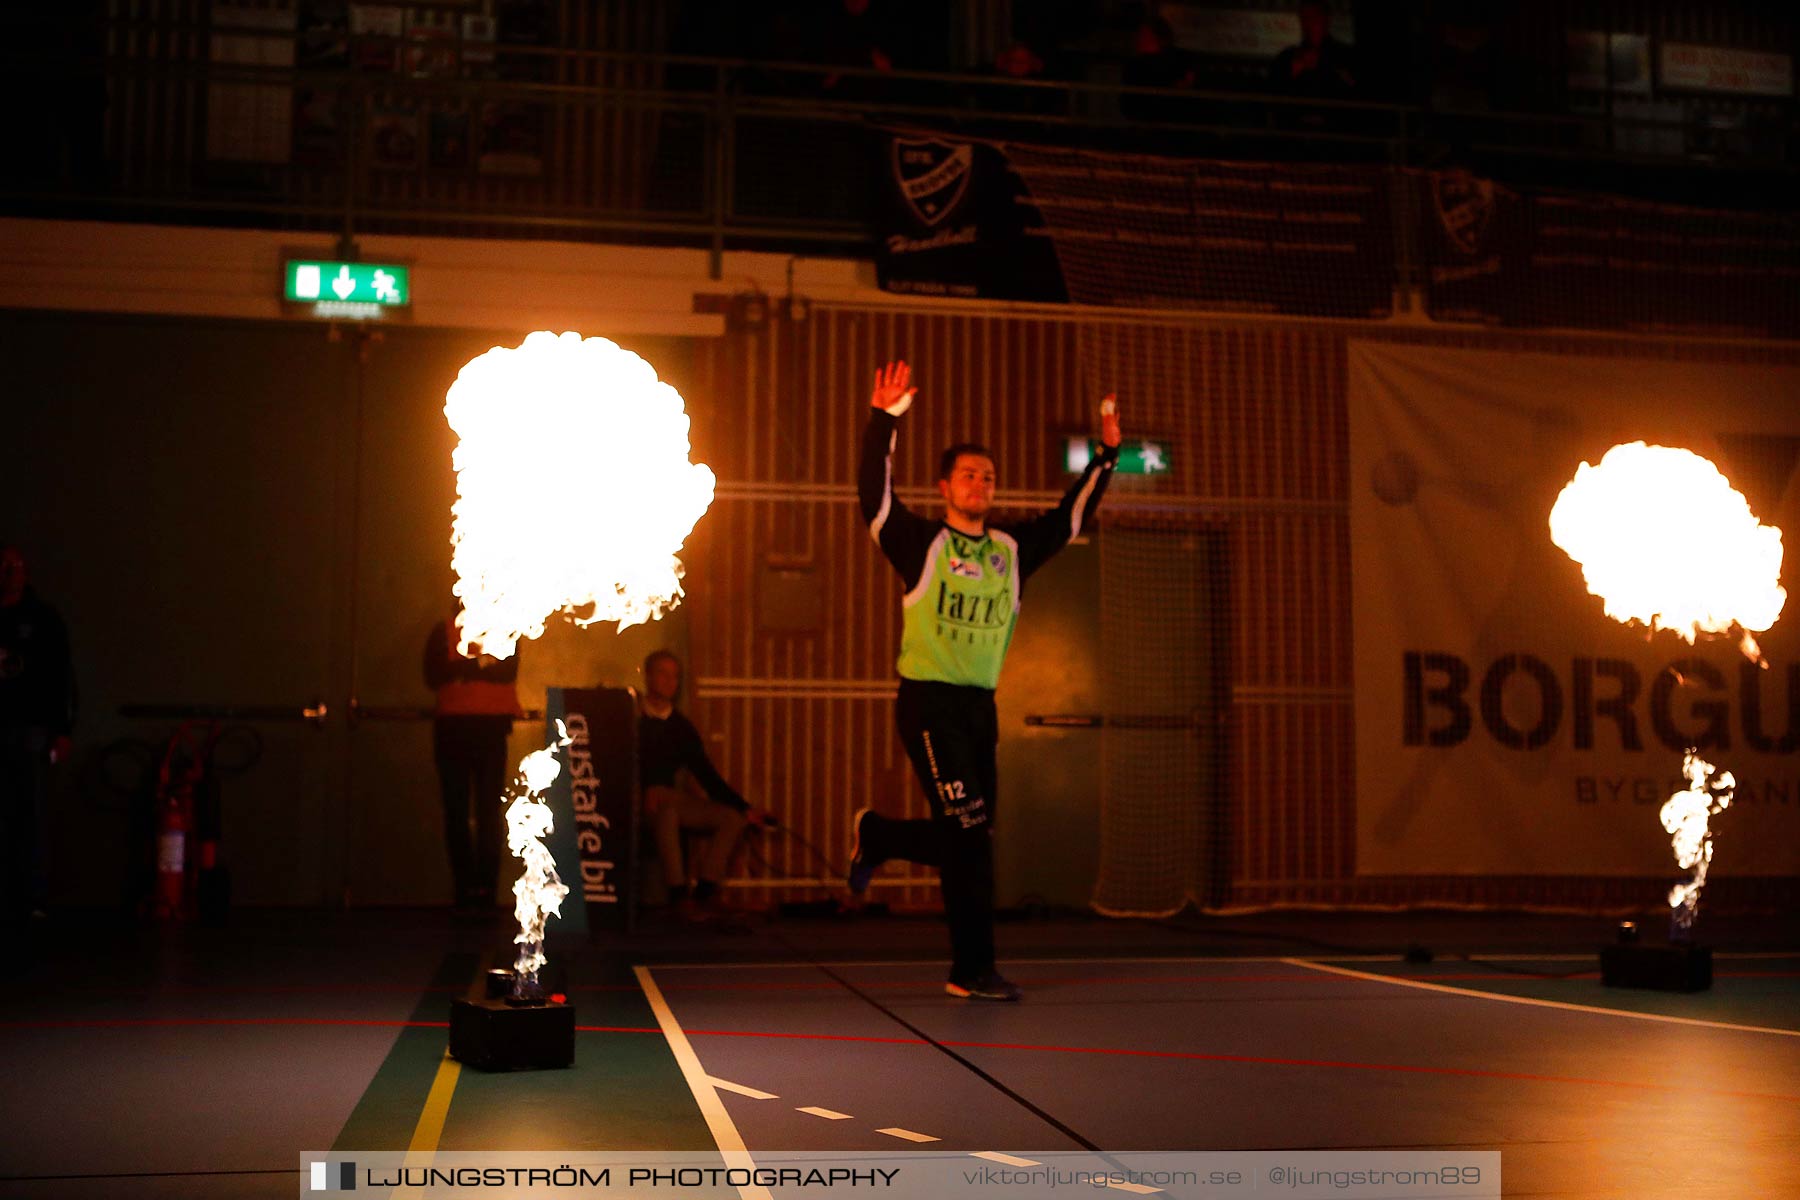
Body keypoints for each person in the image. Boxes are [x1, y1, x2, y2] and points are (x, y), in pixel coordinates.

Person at [850, 362, 1120, 1000]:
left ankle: (882, 836)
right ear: (945, 485)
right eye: (968, 474)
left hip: (979, 708)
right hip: (927, 704)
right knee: (968, 835)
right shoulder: (922, 543)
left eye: (988, 477)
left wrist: (1107, 456)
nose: (980, 483)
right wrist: (883, 421)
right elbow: (874, 497)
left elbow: (1070, 518)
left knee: (973, 837)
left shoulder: (1010, 550)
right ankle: (972, 969)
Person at [637, 650, 770, 919]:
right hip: (640, 799)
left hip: (670, 797)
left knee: (732, 818)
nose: (669, 682)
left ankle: (705, 892)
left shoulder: (681, 727)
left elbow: (706, 775)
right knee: (667, 811)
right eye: (663, 674)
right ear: (649, 676)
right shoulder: (633, 717)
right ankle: (678, 895)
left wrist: (745, 808)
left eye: (675, 677)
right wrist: (648, 786)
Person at [422, 610, 520, 910]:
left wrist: (463, 667)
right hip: (455, 730)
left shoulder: (508, 623)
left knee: (489, 814)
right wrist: (482, 665)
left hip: (487, 731)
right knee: (458, 813)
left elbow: (508, 671)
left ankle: (484, 891)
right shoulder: (445, 630)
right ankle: (465, 889)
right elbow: (434, 675)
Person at [0, 544, 75, 922]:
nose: (9, 573)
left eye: (15, 567)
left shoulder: (43, 619)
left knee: (31, 814)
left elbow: (61, 677)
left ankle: (32, 897)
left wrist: (61, 730)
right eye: (3, 566)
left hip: (30, 730)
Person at [1269, 1, 1356, 99]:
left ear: (1326, 19)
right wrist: (1294, 72)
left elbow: (1353, 92)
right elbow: (1274, 92)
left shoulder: (1345, 56)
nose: (1308, 24)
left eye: (1313, 18)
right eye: (1304, 18)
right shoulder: (1287, 58)